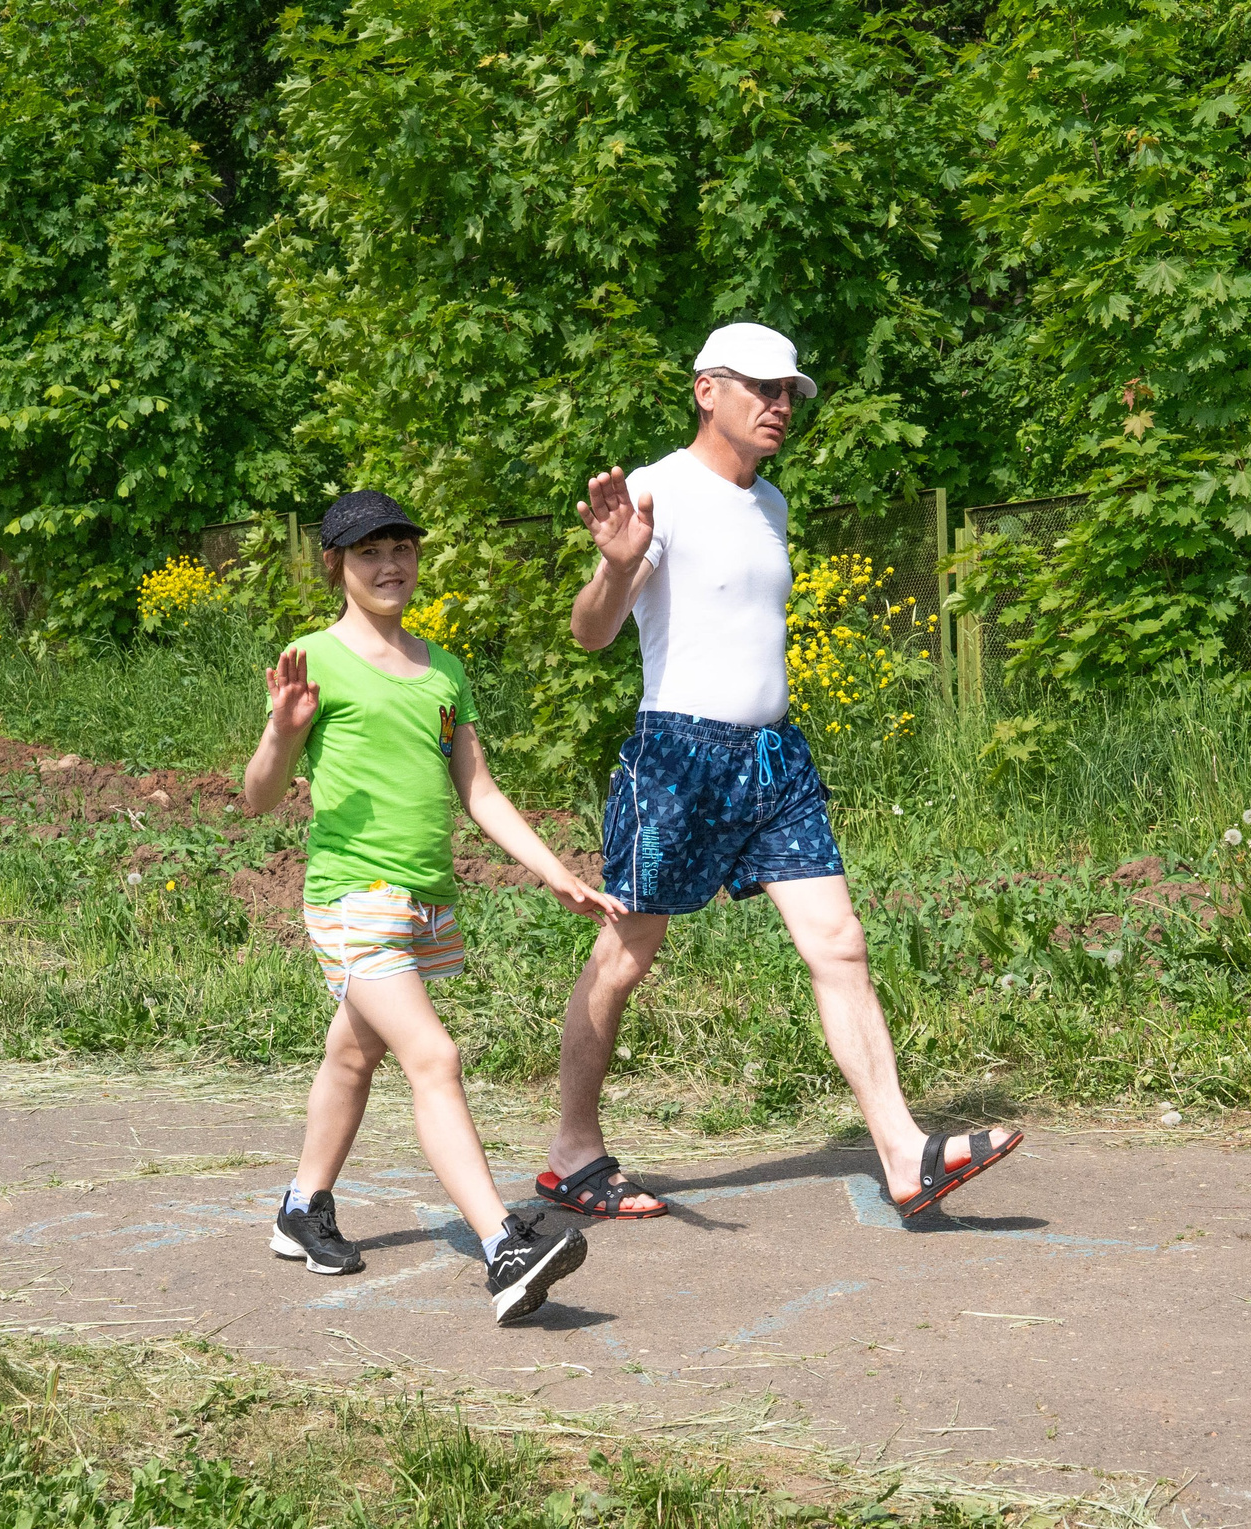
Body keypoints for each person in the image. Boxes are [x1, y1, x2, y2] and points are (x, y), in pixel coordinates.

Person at [541, 322, 1022, 1223]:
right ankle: (573, 1154)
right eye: (761, 388)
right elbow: (592, 632)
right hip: (678, 757)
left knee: (840, 942)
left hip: (775, 756)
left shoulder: (774, 505)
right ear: (706, 390)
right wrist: (614, 567)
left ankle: (902, 1152)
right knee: (626, 951)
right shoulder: (657, 490)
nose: (779, 405)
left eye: (789, 391)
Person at [243, 489, 626, 1324]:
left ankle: (303, 1208)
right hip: (352, 898)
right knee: (434, 1056)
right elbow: (256, 796)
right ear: (336, 565)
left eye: (401, 549)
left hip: (424, 900)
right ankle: (503, 1248)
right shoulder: (312, 658)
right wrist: (280, 731)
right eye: (368, 552)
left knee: (354, 1055)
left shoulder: (443, 667)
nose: (389, 565)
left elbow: (477, 788)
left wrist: (551, 869)